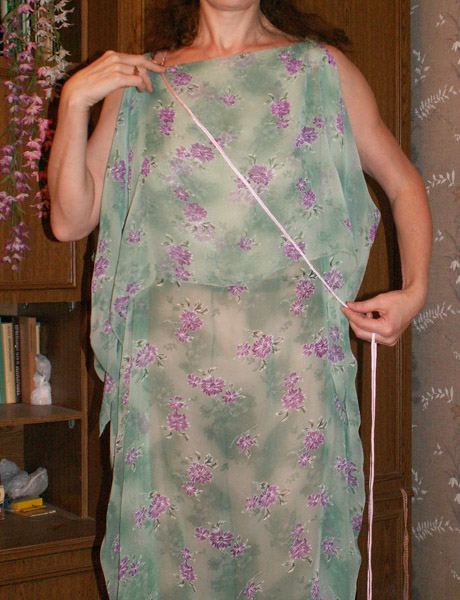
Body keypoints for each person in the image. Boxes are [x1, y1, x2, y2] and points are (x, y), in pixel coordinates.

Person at [48, 1, 431, 599]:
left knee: (292, 563)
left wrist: (415, 292)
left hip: (291, 374)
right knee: (172, 567)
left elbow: (402, 182)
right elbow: (71, 220)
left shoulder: (320, 71)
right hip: (168, 382)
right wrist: (74, 102)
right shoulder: (140, 83)